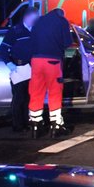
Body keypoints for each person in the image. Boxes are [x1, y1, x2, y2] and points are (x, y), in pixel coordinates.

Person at [29, 8, 73, 138]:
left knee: (36, 91)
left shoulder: (39, 21)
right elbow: (67, 42)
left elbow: (32, 40)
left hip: (36, 60)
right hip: (53, 61)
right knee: (54, 91)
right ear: (61, 14)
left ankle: (36, 125)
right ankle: (56, 125)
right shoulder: (62, 21)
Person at [0, 7, 39, 132]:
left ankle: (26, 123)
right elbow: (3, 49)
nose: (36, 19)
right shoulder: (15, 31)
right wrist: (10, 64)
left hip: (31, 68)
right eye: (35, 17)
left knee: (28, 97)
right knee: (19, 97)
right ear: (27, 17)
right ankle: (17, 125)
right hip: (19, 68)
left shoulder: (35, 31)